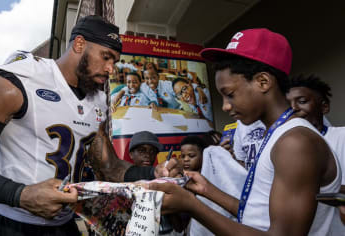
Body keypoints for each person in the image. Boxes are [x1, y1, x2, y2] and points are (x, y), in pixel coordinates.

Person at [0, 15, 182, 236]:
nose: (110, 69)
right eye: (106, 57)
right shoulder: (19, 81)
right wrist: (20, 194)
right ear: (79, 44)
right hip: (9, 223)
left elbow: (109, 167)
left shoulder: (98, 100)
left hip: (62, 222)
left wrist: (153, 174)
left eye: (115, 62)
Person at [148, 28, 341, 235]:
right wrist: (207, 191)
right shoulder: (278, 135)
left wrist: (192, 206)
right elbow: (258, 215)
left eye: (230, 94)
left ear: (263, 82)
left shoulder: (295, 142)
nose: (225, 106)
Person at [286, 74, 345, 232]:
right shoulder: (281, 148)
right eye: (287, 104)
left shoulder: (341, 137)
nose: (293, 108)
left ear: (324, 107)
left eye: (302, 101)